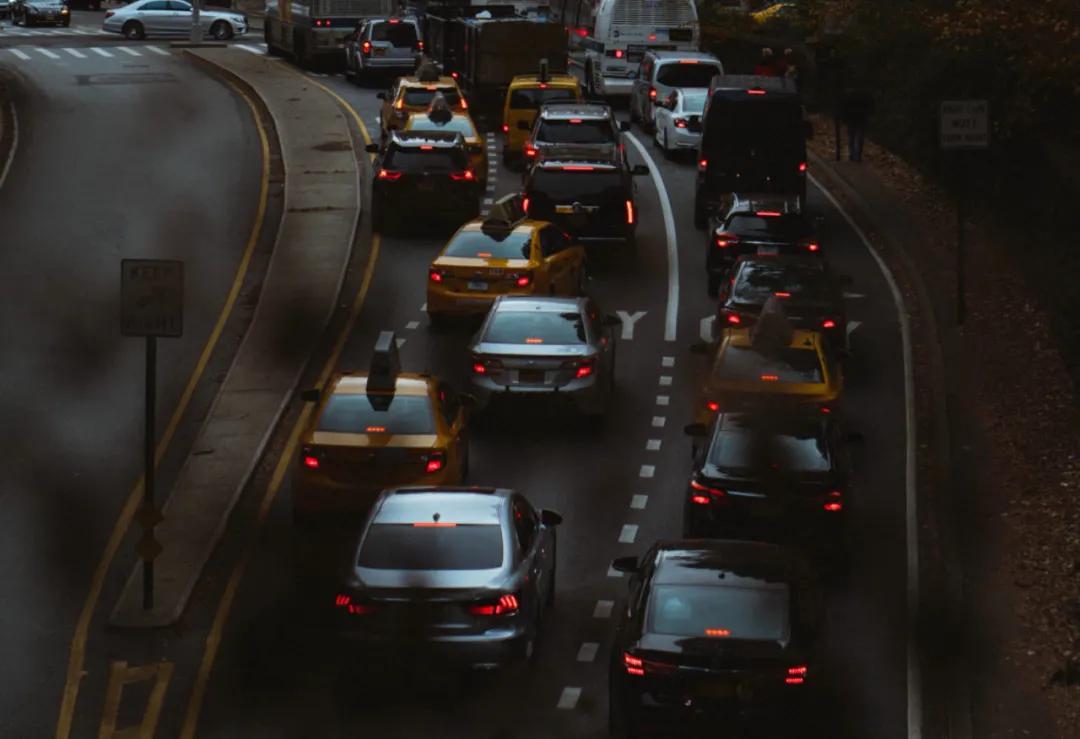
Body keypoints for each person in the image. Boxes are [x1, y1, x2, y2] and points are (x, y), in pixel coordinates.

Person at [840, 87, 874, 162]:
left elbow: (844, 107)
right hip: (858, 118)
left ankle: (853, 155)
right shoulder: (863, 95)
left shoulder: (851, 96)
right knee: (858, 137)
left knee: (853, 137)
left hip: (854, 118)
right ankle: (856, 155)